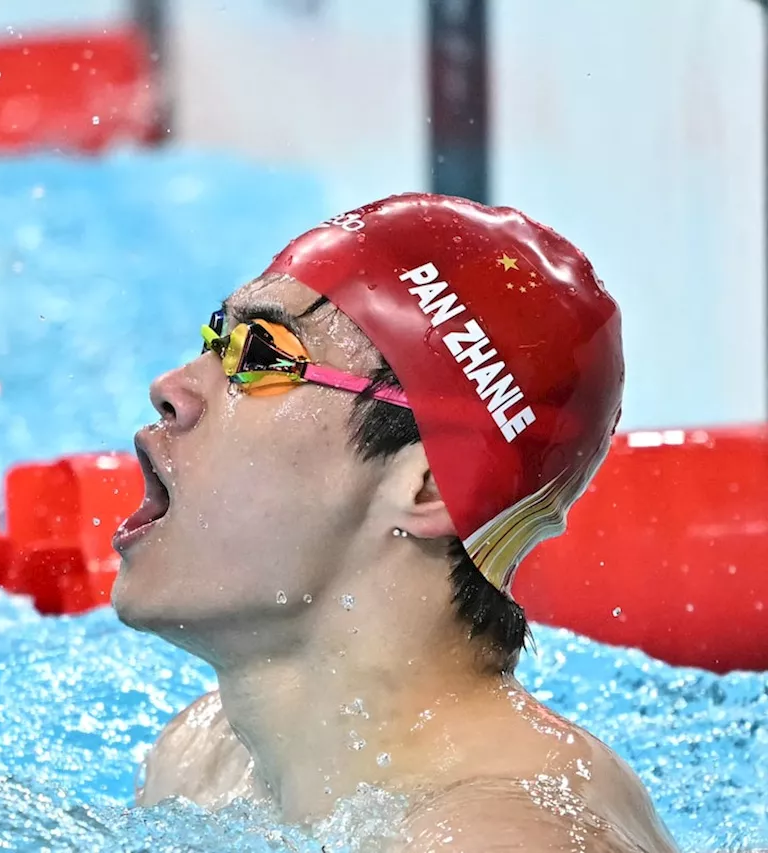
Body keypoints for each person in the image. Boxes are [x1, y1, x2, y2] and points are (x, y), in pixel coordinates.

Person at [110, 193, 679, 852]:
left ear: (430, 485)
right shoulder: (200, 764)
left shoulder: (510, 837)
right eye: (215, 338)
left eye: (260, 354)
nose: (171, 387)